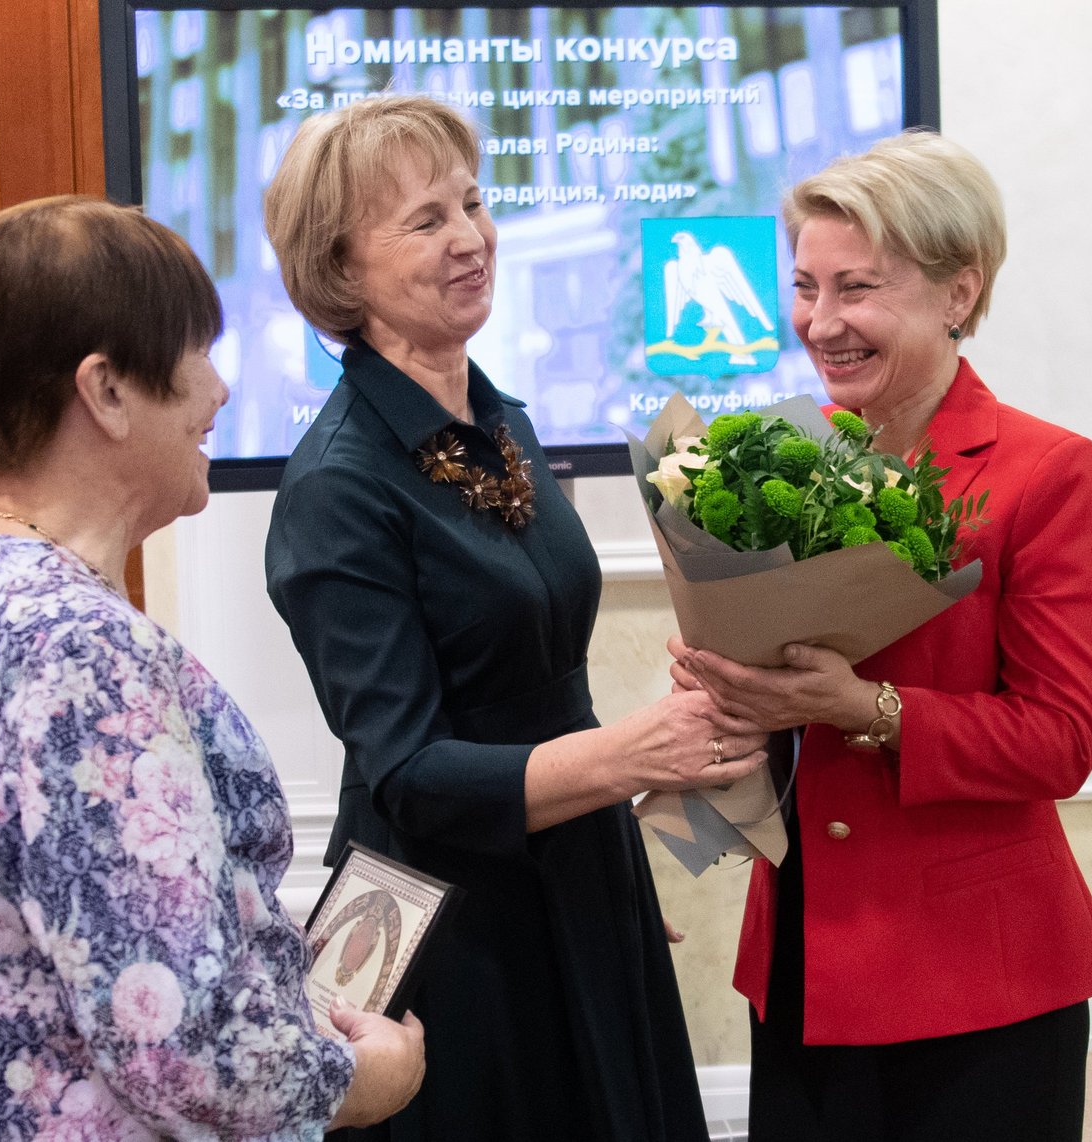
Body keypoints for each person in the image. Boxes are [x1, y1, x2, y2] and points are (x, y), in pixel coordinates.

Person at [0, 196, 424, 1141]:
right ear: (107, 390)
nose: (220, 393)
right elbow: (183, 1042)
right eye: (199, 353)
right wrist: (365, 1077)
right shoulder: (70, 651)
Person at [261, 93, 768, 1142]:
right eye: (424, 220)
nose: (471, 238)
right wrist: (634, 751)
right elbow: (406, 771)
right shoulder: (335, 482)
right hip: (448, 920)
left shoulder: (501, 423)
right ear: (341, 270)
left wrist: (609, 845)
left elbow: (541, 681)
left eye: (473, 203)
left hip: (570, 859)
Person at [671, 131, 1092, 1141]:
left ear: (956, 293)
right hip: (802, 954)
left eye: (856, 289)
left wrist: (861, 708)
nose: (818, 323)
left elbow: (1059, 738)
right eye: (804, 286)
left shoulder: (1048, 473)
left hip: (975, 976)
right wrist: (724, 687)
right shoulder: (787, 455)